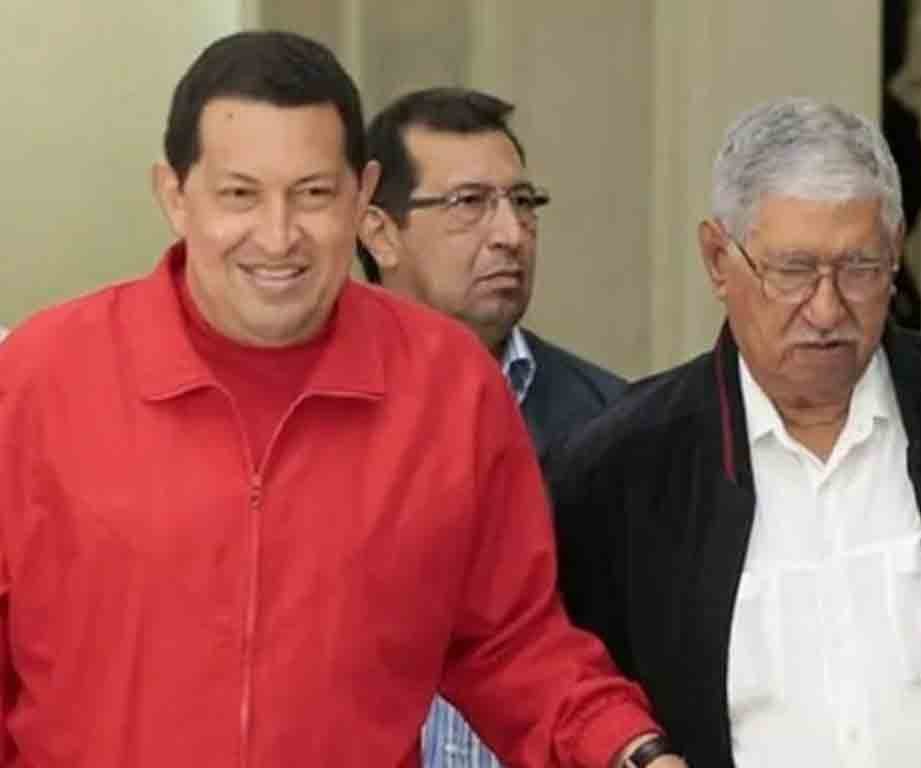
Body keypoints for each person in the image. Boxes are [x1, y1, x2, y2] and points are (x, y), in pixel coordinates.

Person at [0, 30, 685, 767]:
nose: (277, 237)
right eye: (239, 195)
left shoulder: (448, 388)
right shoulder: (37, 380)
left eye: (313, 194)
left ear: (362, 197)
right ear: (175, 196)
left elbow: (513, 647)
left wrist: (630, 753)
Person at [547, 97, 921, 768]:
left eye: (859, 268)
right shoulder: (621, 470)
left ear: (896, 252)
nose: (826, 309)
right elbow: (570, 692)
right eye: (793, 271)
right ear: (718, 259)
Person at [357, 87, 627, 767]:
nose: (509, 233)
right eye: (469, 203)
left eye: (523, 202)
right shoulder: (320, 413)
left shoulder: (611, 422)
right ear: (379, 232)